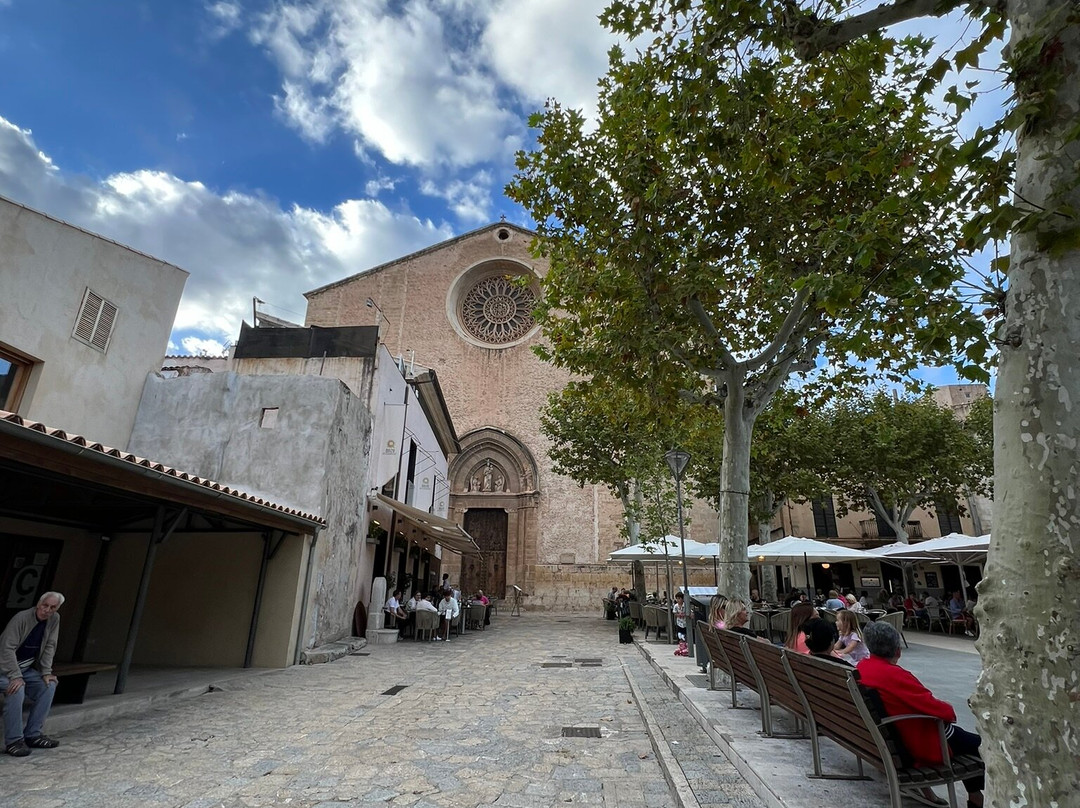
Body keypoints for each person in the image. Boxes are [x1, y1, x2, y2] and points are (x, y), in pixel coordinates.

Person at [858, 621, 984, 807]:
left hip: (890, 738)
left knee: (970, 742)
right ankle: (976, 799)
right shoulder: (894, 675)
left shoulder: (862, 668)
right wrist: (946, 707)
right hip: (921, 741)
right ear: (897, 650)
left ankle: (972, 796)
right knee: (981, 746)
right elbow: (944, 712)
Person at [1, 592, 63, 757]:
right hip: (5, 668)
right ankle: (14, 741)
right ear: (38, 604)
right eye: (45, 605)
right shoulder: (21, 618)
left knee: (48, 686)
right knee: (16, 689)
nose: (47, 610)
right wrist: (15, 676)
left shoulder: (54, 619)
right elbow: (6, 648)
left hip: (24, 669)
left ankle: (33, 735)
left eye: (52, 607)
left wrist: (46, 672)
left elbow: (50, 645)